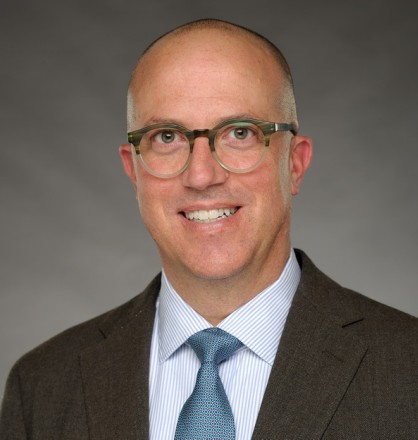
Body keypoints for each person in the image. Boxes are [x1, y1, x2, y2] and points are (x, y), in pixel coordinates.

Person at [1, 18, 417, 440]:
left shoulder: (407, 369)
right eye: (167, 137)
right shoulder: (40, 388)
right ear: (133, 171)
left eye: (240, 133)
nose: (201, 176)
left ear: (295, 163)